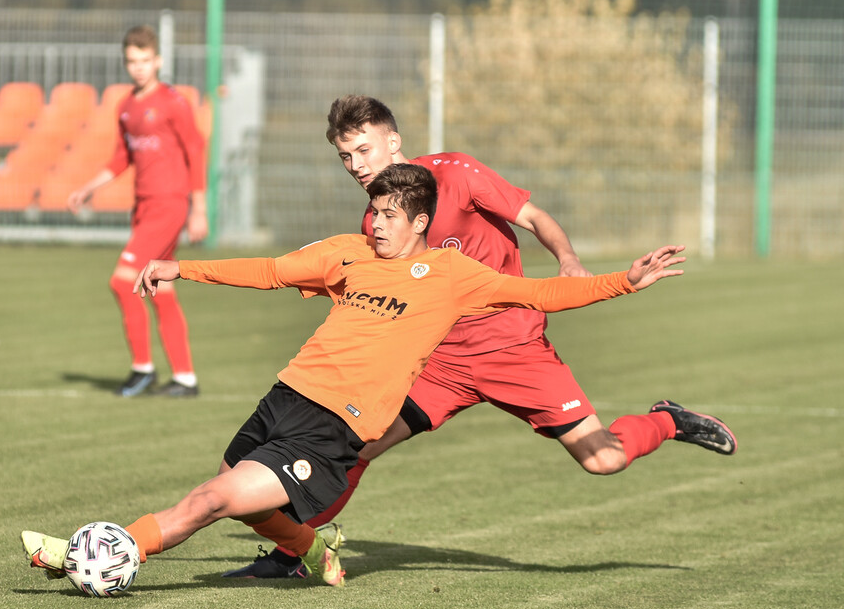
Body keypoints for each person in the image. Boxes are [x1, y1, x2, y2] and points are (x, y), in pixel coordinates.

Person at [21, 163, 687, 589]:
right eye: (371, 212)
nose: (374, 224)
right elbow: (272, 271)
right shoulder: (348, 253)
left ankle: (107, 553)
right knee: (256, 507)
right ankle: (313, 555)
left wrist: (624, 282)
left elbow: (541, 296)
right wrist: (183, 269)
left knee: (211, 500)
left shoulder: (454, 277)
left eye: (388, 215)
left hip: (333, 428)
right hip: (285, 399)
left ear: (421, 221)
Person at [225, 95, 738, 579]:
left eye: (364, 150)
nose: (357, 165)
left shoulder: (456, 173)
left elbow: (533, 216)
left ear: (394, 142)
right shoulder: (377, 217)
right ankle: (294, 553)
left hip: (514, 350)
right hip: (439, 364)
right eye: (345, 157)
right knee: (355, 448)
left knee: (604, 459)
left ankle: (665, 421)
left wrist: (569, 259)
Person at [66, 25, 207, 398]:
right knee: (160, 289)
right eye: (132, 61)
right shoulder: (126, 107)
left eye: (145, 60)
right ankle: (185, 378)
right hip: (144, 208)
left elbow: (196, 150)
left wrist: (199, 208)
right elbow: (121, 158)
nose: (139, 68)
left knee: (122, 280)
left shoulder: (173, 103)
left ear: (158, 60)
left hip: (170, 205)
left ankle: (142, 369)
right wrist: (87, 188)